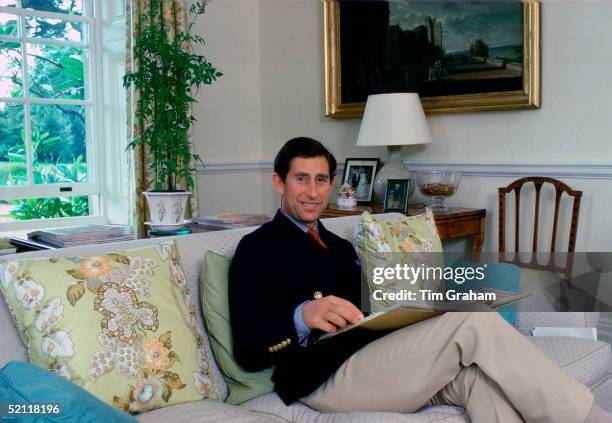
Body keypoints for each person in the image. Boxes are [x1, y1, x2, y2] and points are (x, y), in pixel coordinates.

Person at [228, 137, 610, 423]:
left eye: (321, 180)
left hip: (378, 357)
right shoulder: (256, 248)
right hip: (320, 378)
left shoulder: (339, 247)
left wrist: (413, 307)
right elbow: (248, 351)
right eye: (301, 179)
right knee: (474, 320)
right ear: (279, 183)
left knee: (481, 380)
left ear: (331, 184)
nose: (312, 192)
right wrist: (302, 315)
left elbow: (371, 312)